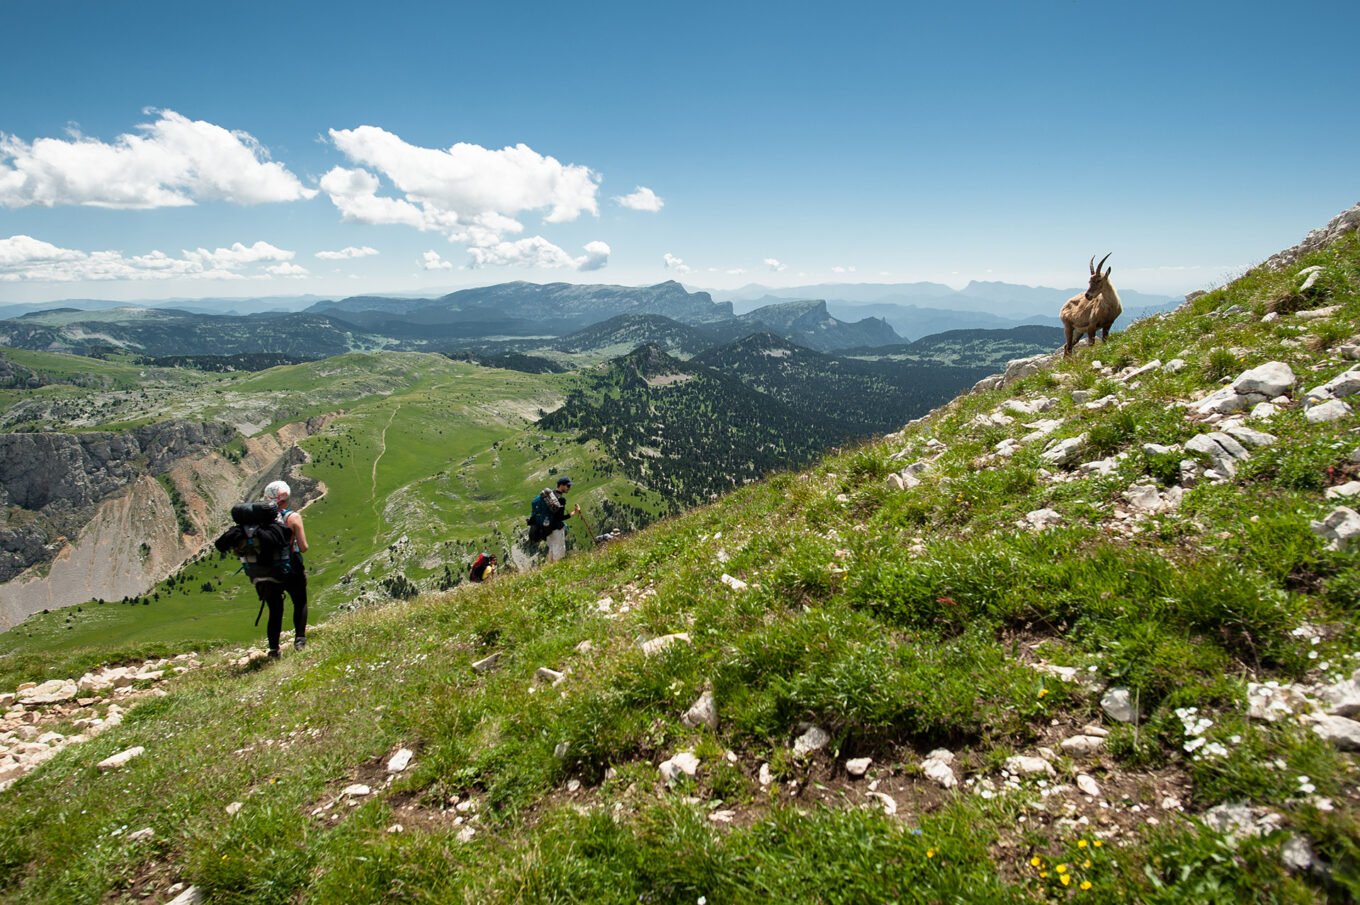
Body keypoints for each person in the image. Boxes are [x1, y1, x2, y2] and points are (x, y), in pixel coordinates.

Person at [259, 480, 309, 657]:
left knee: (275, 609)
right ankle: (300, 641)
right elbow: (303, 547)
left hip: (267, 571)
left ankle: (273, 650)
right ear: (285, 498)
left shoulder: (258, 520)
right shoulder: (292, 517)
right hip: (291, 567)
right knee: (300, 601)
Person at [541, 477, 580, 563]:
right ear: (561, 485)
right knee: (559, 550)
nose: (569, 488)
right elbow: (560, 518)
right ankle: (557, 569)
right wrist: (574, 512)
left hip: (547, 528)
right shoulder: (561, 500)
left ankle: (550, 568)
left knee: (551, 548)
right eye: (568, 486)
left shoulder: (549, 496)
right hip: (557, 529)